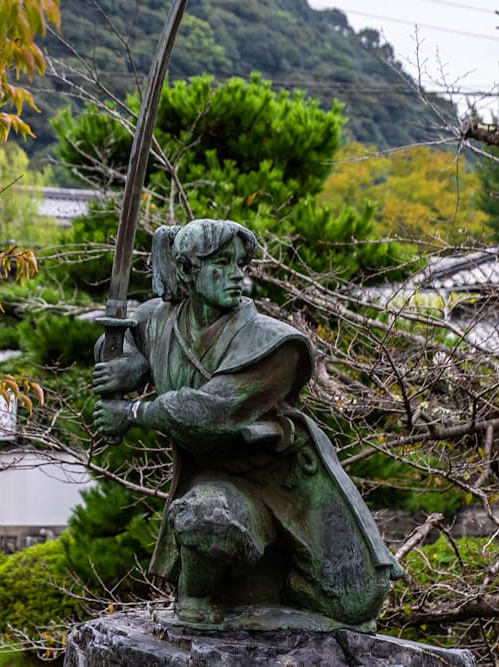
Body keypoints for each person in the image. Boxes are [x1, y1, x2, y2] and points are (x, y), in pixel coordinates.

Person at [93, 218, 401, 629]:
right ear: (187, 271)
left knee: (356, 601)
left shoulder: (274, 345)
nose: (238, 276)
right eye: (223, 263)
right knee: (206, 519)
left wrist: (132, 414)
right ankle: (198, 597)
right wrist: (131, 365)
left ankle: (286, 588)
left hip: (288, 483)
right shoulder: (161, 319)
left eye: (241, 264)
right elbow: (118, 339)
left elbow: (209, 412)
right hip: (219, 480)